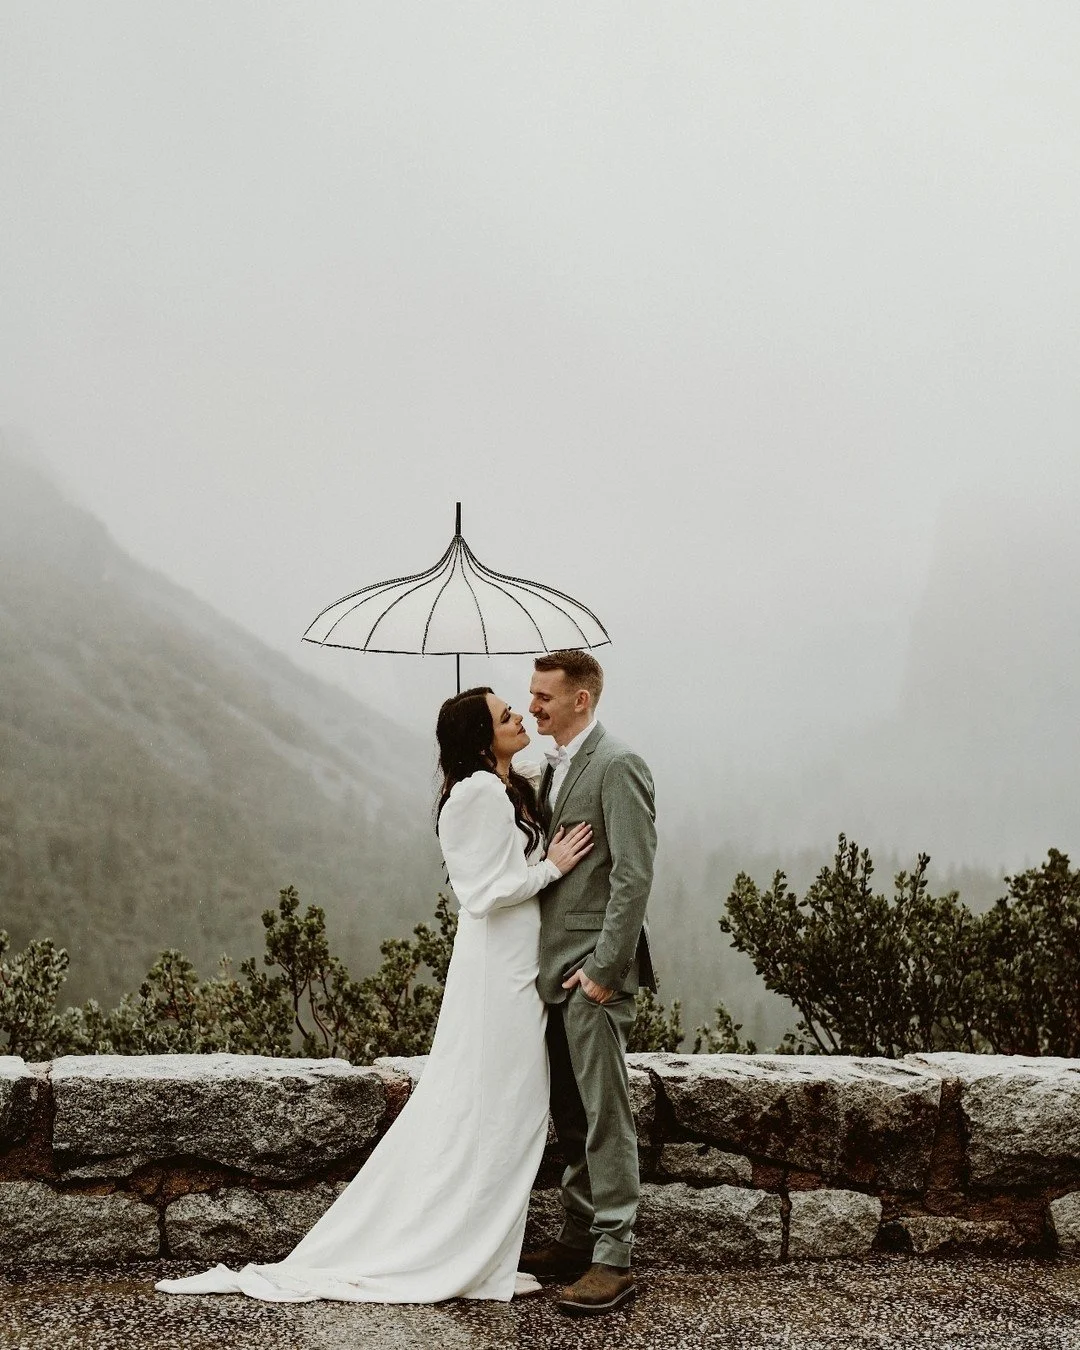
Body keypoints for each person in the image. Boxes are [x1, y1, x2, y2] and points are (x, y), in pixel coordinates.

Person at [154, 687, 592, 1304]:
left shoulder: (502, 785)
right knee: (498, 1105)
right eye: (505, 715)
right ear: (480, 739)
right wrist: (553, 867)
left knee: (511, 1108)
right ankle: (460, 1252)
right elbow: (484, 891)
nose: (519, 715)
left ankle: (482, 1252)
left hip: (518, 961)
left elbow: (523, 818)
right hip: (499, 969)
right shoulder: (476, 793)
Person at [519, 650, 657, 1317]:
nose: (532, 706)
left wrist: (604, 971)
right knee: (571, 1117)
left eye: (544, 696)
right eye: (531, 694)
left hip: (590, 975)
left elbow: (633, 874)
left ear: (581, 699)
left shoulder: (619, 764)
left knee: (605, 1116)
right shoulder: (550, 767)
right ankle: (577, 1238)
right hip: (549, 972)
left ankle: (614, 1258)